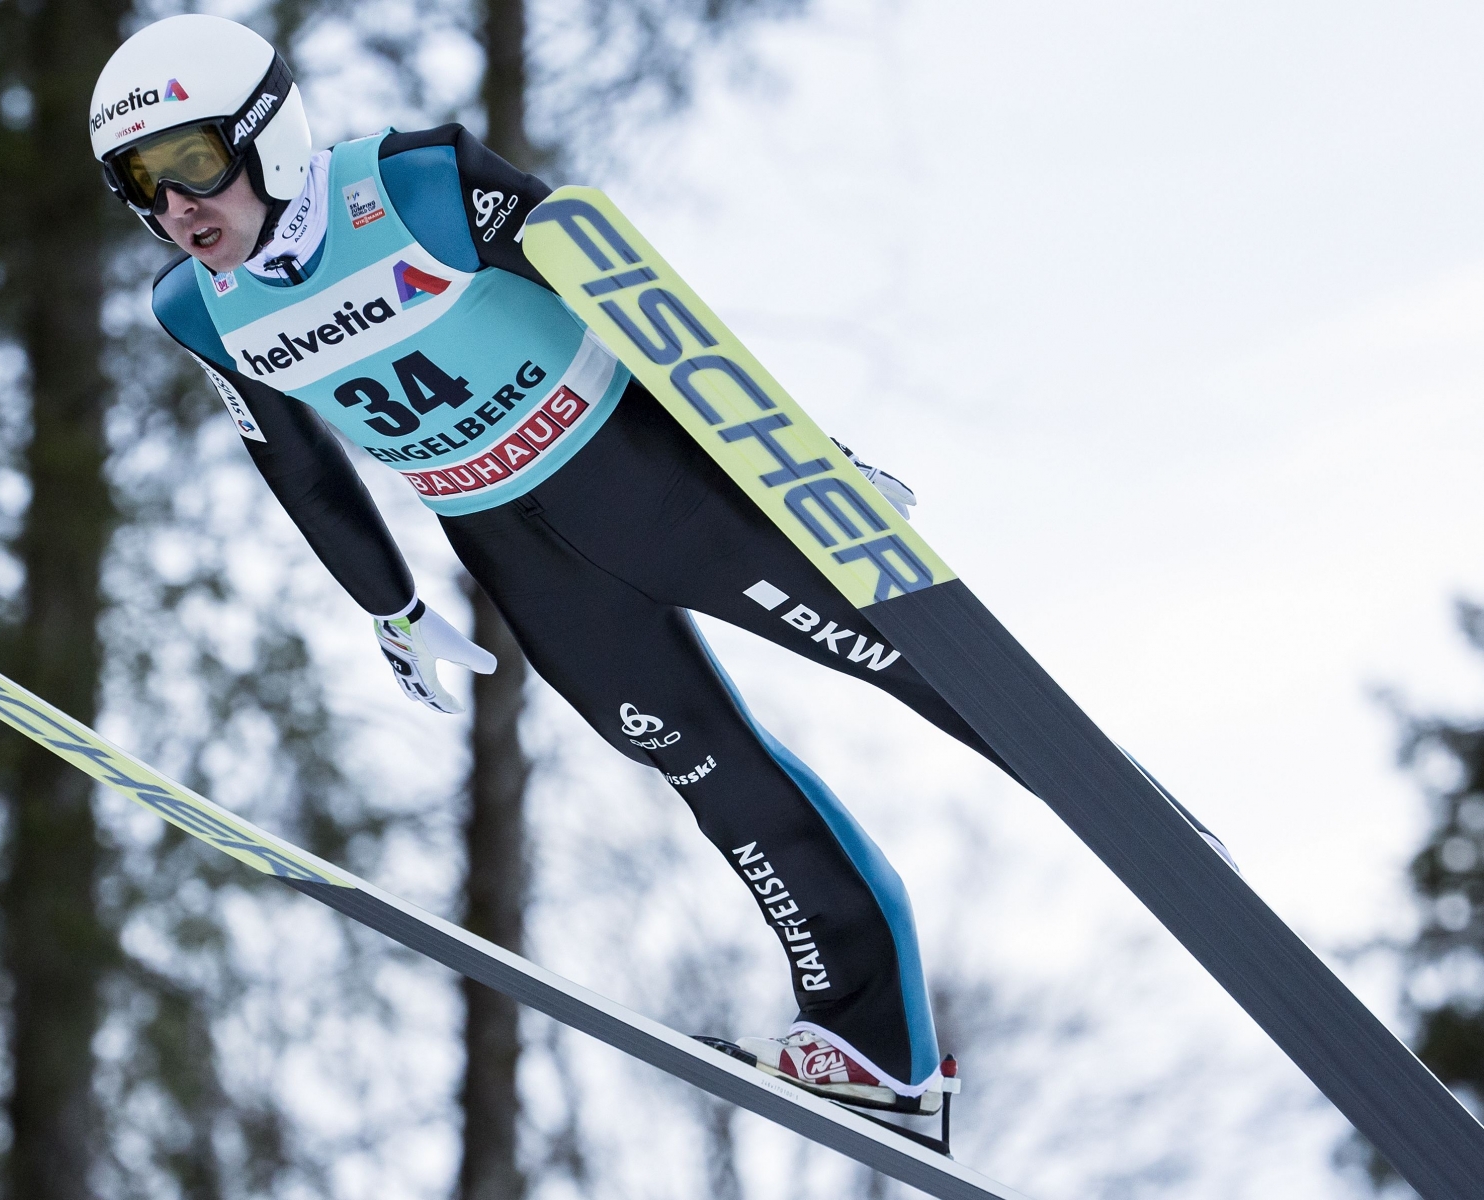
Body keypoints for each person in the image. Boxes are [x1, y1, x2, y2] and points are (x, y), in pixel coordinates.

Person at [88, 13, 992, 1114]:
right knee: (703, 767)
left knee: (923, 663)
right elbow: (299, 466)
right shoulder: (198, 310)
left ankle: (1149, 824)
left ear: (269, 135)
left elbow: (624, 286)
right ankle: (876, 1048)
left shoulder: (417, 186)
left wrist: (793, 452)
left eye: (194, 162)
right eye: (141, 183)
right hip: (521, 552)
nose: (177, 209)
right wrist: (395, 608)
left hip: (655, 483)